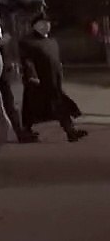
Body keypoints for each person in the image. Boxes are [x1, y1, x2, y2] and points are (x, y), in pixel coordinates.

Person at [18, 10, 87, 142]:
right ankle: (28, 131)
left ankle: (70, 131)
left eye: (47, 23)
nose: (45, 26)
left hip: (53, 80)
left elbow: (55, 60)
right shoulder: (28, 42)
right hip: (38, 82)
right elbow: (27, 61)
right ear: (34, 26)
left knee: (58, 105)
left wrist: (60, 70)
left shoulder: (51, 41)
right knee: (34, 108)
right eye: (42, 23)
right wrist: (32, 75)